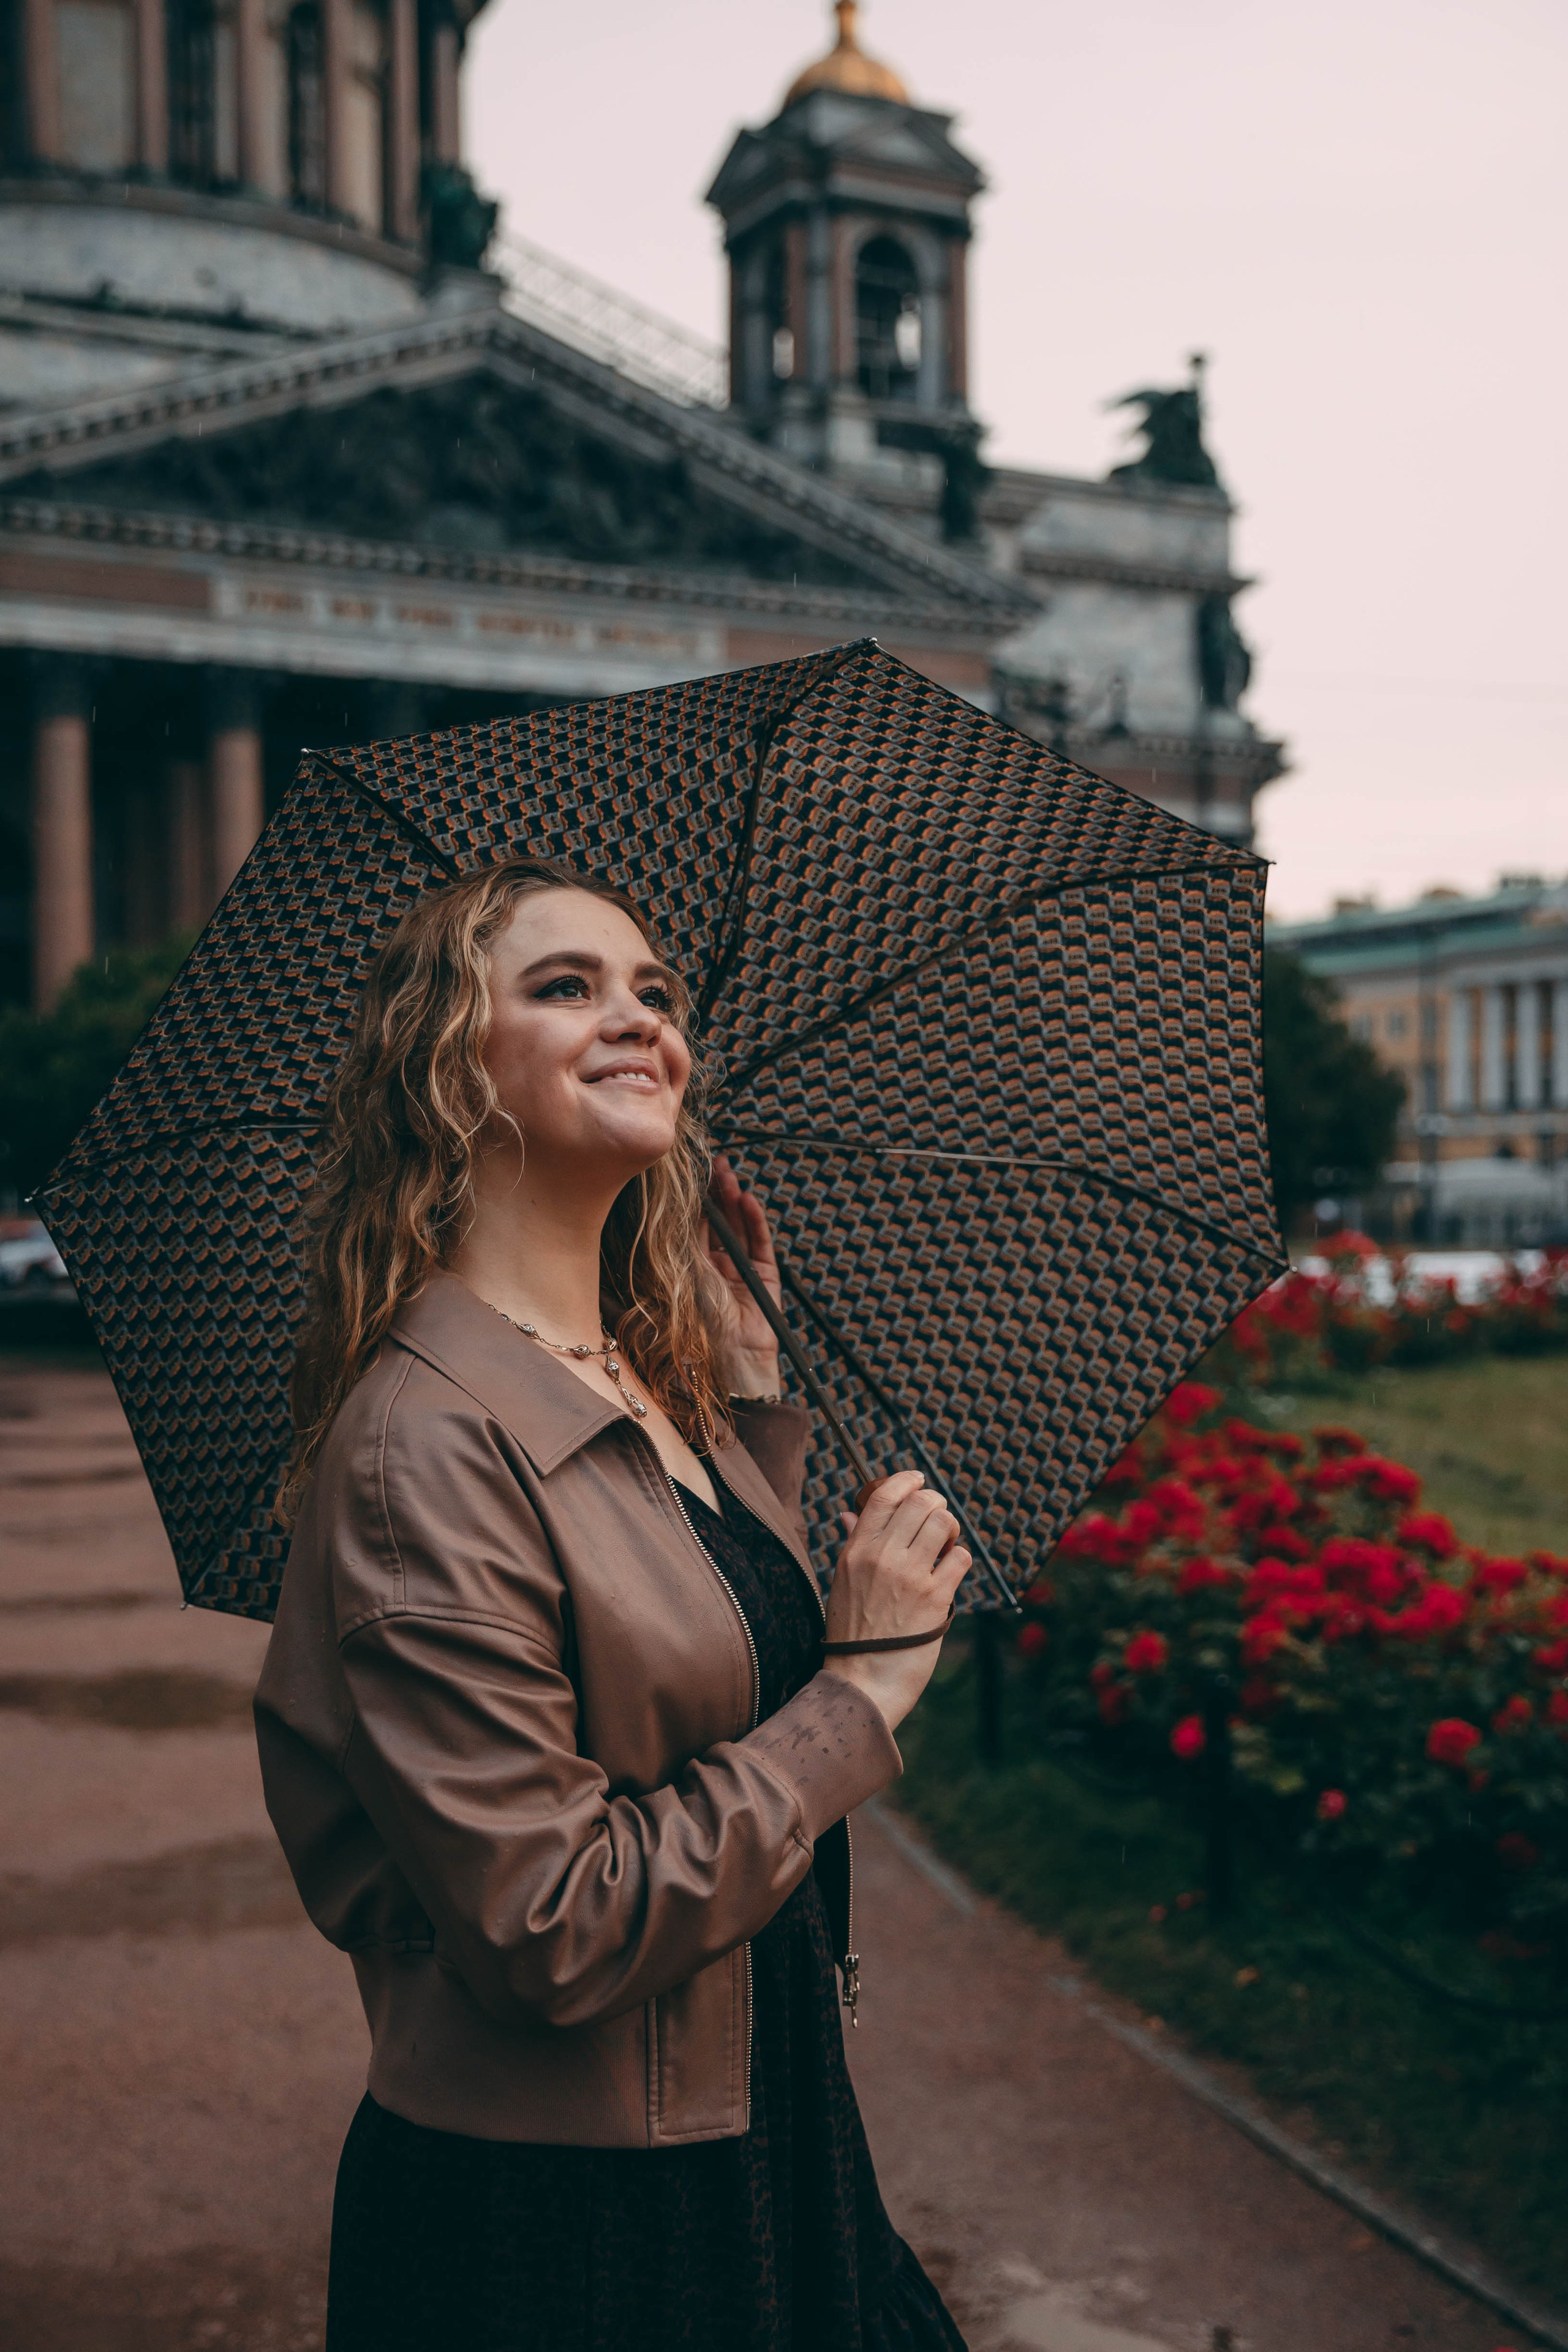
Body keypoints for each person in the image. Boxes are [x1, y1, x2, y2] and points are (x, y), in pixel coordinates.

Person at [255, 854, 973, 2351]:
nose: (639, 1017)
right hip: (577, 2223)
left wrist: (753, 1402)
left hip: (760, 2116)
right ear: (448, 1067)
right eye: (565, 986)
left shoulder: (651, 1383)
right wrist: (866, 1695)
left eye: (655, 990)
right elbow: (550, 1923)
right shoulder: (421, 1446)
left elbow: (702, 1659)